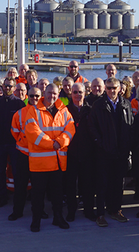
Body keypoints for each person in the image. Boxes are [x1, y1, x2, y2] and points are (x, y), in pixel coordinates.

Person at [21, 84, 75, 232]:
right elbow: (32, 133)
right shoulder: (33, 110)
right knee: (37, 195)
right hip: (39, 163)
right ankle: (36, 220)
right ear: (44, 93)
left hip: (57, 163)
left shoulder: (64, 110)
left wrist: (61, 142)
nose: (52, 96)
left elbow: (70, 128)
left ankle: (58, 218)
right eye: (50, 93)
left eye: (55, 93)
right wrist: (53, 144)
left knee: (57, 195)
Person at [89, 77, 134, 227]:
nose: (112, 91)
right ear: (105, 89)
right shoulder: (98, 105)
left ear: (120, 88)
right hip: (104, 151)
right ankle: (100, 214)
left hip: (121, 152)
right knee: (102, 184)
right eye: (108, 88)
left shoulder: (125, 104)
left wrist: (127, 148)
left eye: (114, 88)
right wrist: (100, 143)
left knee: (118, 184)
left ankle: (116, 210)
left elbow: (130, 126)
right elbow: (92, 127)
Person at [0, 79, 27, 209]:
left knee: (17, 171)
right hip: (0, 143)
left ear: (14, 88)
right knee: (1, 171)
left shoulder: (19, 103)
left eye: (10, 86)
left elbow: (24, 125)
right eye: (5, 86)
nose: (7, 88)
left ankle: (19, 196)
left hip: (14, 144)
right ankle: (2, 196)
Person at [65, 82, 94, 221]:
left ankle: (89, 210)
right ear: (71, 93)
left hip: (87, 153)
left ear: (85, 93)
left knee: (88, 184)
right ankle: (71, 210)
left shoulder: (91, 110)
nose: (77, 95)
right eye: (75, 92)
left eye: (80, 92)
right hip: (71, 153)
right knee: (70, 185)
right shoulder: (65, 111)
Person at [9, 83, 32, 221]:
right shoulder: (20, 113)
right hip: (23, 153)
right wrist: (23, 142)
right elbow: (15, 131)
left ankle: (39, 210)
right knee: (20, 184)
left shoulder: (43, 112)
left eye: (37, 96)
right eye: (33, 96)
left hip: (38, 156)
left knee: (37, 187)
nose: (34, 98)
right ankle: (17, 211)